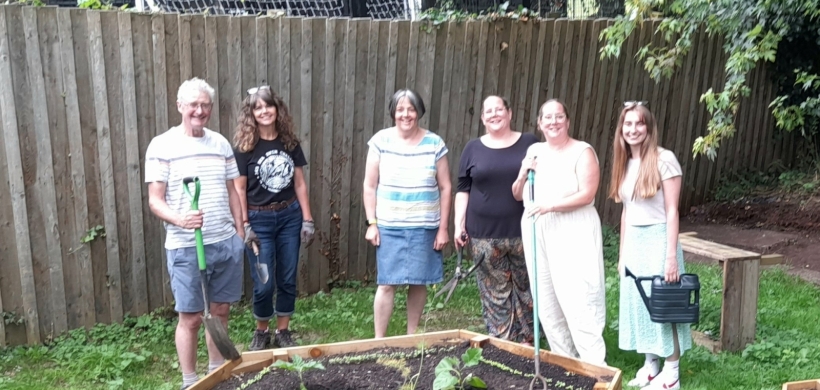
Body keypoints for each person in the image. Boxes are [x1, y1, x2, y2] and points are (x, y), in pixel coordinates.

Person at [145, 78, 245, 390]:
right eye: (193, 105)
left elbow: (232, 190)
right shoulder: (162, 145)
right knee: (190, 318)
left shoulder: (220, 143)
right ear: (180, 107)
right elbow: (155, 200)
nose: (199, 111)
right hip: (186, 247)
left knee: (221, 312)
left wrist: (240, 234)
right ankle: (190, 382)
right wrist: (181, 219)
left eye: (205, 105)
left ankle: (216, 373)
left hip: (225, 243)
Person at [513, 99, 607, 366]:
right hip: (537, 228)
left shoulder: (582, 151)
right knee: (547, 298)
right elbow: (518, 195)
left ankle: (595, 366)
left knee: (578, 297)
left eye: (559, 117)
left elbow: (588, 195)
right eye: (548, 118)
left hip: (572, 228)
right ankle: (566, 364)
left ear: (567, 121)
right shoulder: (534, 150)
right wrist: (522, 172)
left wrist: (550, 206)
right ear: (540, 123)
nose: (553, 122)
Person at [610, 101, 692, 390]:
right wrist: (622, 257)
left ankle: (671, 374)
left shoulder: (664, 159)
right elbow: (626, 211)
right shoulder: (624, 161)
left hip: (658, 239)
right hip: (634, 241)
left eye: (639, 123)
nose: (633, 129)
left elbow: (672, 211)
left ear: (648, 127)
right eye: (628, 124)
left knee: (664, 305)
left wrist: (670, 257)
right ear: (622, 128)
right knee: (640, 304)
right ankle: (650, 365)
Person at [363, 89, 451, 338]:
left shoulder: (435, 143)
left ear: (419, 112)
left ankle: (412, 335)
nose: (406, 114)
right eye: (400, 109)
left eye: (411, 109)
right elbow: (369, 186)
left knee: (419, 281)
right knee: (386, 283)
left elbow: (445, 187)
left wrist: (443, 228)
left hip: (424, 224)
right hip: (390, 225)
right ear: (393, 112)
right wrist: (372, 223)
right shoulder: (380, 141)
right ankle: (379, 339)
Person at [233, 86, 315, 351]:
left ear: (277, 109)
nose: (264, 111)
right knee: (264, 282)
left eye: (268, 105)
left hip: (290, 217)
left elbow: (300, 184)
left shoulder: (290, 143)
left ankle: (283, 331)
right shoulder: (245, 147)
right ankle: (261, 331)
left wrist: (307, 219)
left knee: (288, 278)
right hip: (259, 221)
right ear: (252, 114)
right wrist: (245, 225)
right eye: (258, 107)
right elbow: (239, 190)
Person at [454, 95, 538, 345]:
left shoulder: (530, 143)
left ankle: (527, 343)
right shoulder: (472, 148)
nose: (494, 114)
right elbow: (462, 189)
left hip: (524, 229)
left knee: (528, 288)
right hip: (483, 233)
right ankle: (502, 343)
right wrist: (459, 224)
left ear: (509, 113)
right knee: (494, 291)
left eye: (498, 109)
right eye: (488, 111)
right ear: (482, 118)